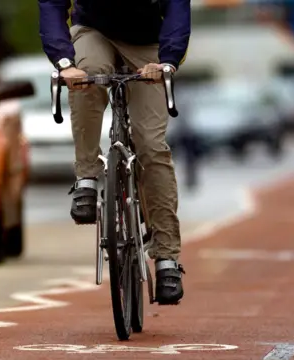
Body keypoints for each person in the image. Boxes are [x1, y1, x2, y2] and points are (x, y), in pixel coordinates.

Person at [38, 0, 190, 305]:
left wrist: (167, 61)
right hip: (95, 32)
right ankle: (86, 177)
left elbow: (177, 7)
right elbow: (52, 5)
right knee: (88, 75)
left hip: (148, 41)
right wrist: (65, 63)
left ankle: (166, 259)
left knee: (151, 145)